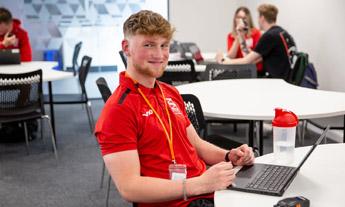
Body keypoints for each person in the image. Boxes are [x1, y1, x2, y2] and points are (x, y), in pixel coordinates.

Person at [95, 10, 255, 207]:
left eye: (164, 45)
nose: (160, 54)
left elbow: (196, 144)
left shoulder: (169, 92)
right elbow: (130, 187)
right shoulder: (118, 110)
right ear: (126, 48)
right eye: (149, 45)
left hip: (207, 191)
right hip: (180, 202)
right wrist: (200, 183)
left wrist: (229, 156)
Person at [216, 4, 297, 81]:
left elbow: (248, 61)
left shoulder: (269, 36)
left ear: (262, 18)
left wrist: (223, 61)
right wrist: (240, 36)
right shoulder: (282, 33)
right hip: (284, 79)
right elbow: (252, 57)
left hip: (275, 81)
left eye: (258, 17)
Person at [227, 6, 263, 75]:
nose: (241, 20)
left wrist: (242, 37)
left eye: (244, 18)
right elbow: (231, 56)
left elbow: (256, 57)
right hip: (237, 71)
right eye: (238, 17)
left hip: (253, 70)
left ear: (248, 19)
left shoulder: (255, 33)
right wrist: (238, 36)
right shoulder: (231, 36)